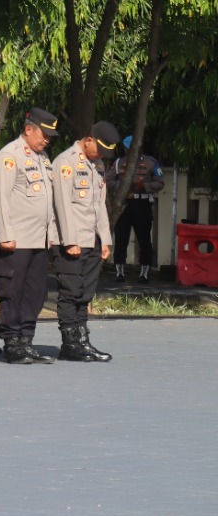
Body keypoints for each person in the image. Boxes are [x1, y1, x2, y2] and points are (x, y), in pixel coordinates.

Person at [0, 108, 62, 364]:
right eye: (44, 134)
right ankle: (12, 342)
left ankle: (26, 340)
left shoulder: (43, 158)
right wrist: (5, 234)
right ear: (29, 129)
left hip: (39, 239)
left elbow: (48, 200)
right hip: (16, 240)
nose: (47, 140)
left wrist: (51, 233)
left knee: (35, 292)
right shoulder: (11, 155)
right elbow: (0, 197)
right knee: (12, 292)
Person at [52, 121, 118, 362]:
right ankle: (70, 344)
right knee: (70, 292)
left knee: (85, 293)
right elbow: (62, 205)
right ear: (88, 139)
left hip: (93, 240)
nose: (101, 155)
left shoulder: (97, 165)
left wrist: (106, 239)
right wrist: (69, 240)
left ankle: (82, 341)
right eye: (99, 149)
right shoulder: (65, 162)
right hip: (72, 241)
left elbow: (99, 205)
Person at [111, 138, 164, 281]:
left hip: (142, 204)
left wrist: (145, 186)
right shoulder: (118, 163)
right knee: (121, 238)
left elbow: (160, 182)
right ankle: (119, 271)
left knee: (144, 239)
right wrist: (122, 187)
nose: (132, 150)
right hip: (124, 204)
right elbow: (109, 180)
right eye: (129, 148)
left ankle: (144, 272)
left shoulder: (150, 162)